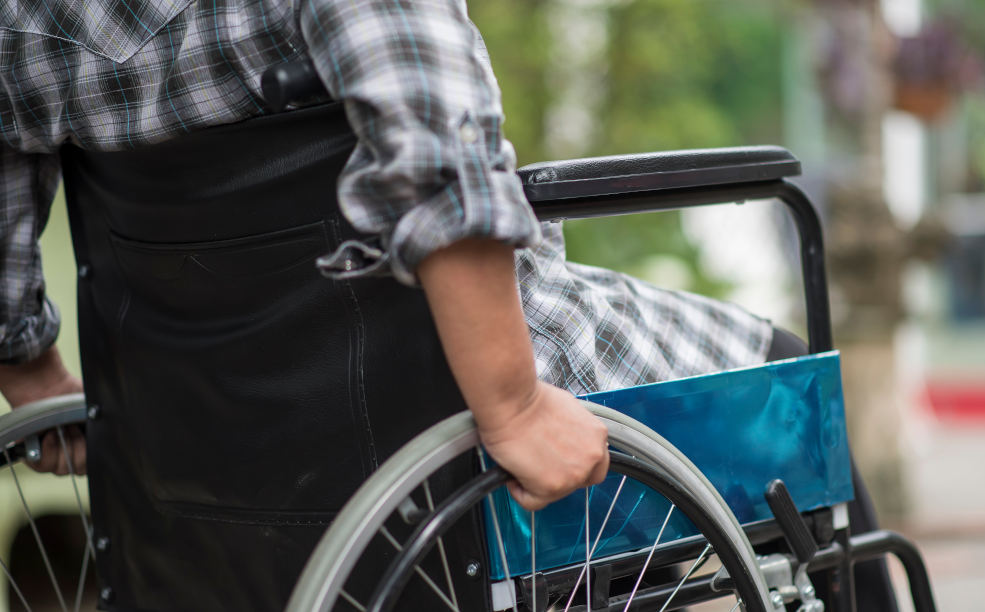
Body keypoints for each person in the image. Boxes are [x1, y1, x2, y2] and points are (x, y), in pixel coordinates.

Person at [0, 1, 887, 610]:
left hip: (196, 484)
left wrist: (31, 367)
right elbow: (439, 163)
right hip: (463, 404)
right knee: (790, 390)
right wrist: (514, 406)